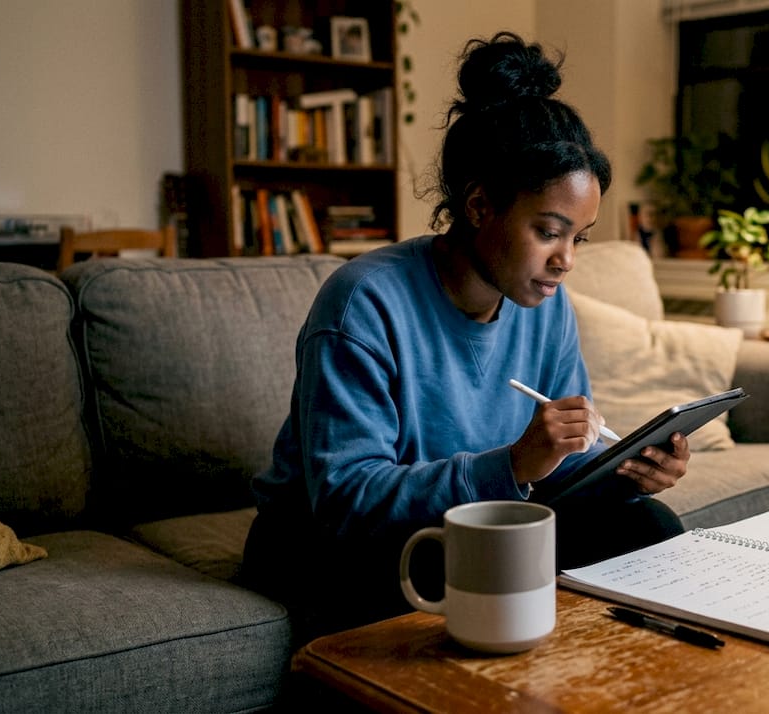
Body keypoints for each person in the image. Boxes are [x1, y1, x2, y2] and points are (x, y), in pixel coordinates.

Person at [243, 31, 690, 640]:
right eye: (549, 231)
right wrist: (510, 465)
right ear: (480, 206)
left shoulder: (547, 307)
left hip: (477, 521)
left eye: (578, 237)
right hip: (332, 543)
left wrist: (621, 472)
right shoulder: (363, 302)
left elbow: (549, 472)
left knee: (648, 525)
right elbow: (346, 500)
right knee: (462, 580)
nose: (566, 260)